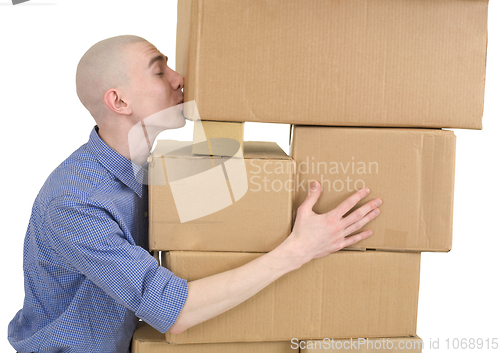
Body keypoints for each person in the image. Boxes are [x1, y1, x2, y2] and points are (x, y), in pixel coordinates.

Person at [8, 35, 382, 353]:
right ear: (119, 102)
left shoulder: (144, 171)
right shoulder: (78, 202)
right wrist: (299, 249)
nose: (178, 78)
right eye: (159, 71)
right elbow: (175, 312)